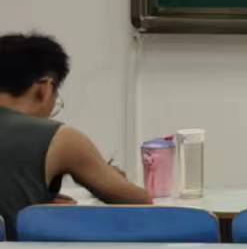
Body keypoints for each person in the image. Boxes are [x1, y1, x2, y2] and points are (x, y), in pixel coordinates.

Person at [0, 32, 150, 232]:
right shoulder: (61, 139)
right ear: (45, 89)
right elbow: (141, 202)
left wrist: (37, 199)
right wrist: (112, 178)